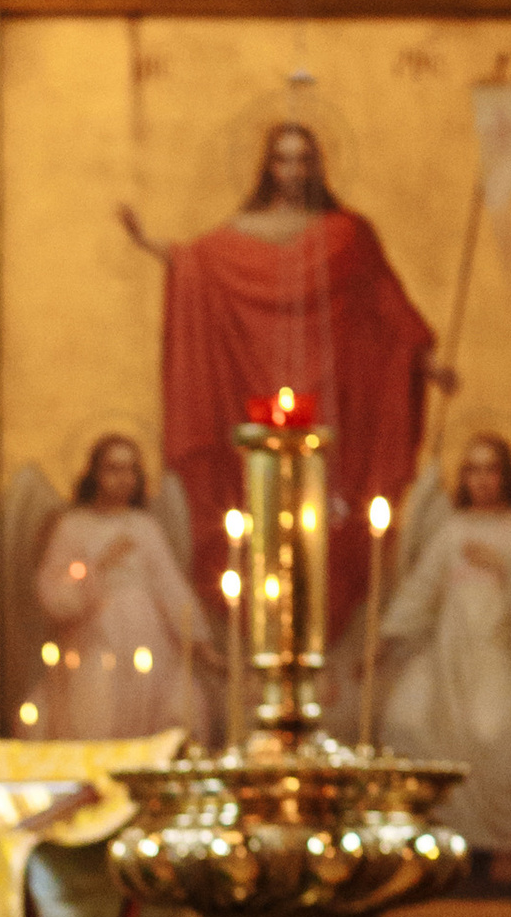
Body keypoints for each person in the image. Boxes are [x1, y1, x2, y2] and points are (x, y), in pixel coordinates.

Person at [118, 121, 442, 640]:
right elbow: (197, 263)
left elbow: (384, 303)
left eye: (304, 160)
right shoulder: (241, 234)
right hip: (251, 389)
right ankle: (262, 633)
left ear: (319, 166)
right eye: (283, 160)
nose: (294, 171)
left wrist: (425, 363)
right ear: (267, 167)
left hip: (336, 397)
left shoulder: (348, 235)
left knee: (331, 512)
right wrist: (149, 245)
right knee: (255, 506)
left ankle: (319, 631)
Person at [378, 432, 511, 859]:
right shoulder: (452, 530)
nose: (482, 480)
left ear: (506, 474)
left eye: (490, 469)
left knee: (497, 734)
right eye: (472, 470)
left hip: (503, 654)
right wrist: (387, 639)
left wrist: (506, 569)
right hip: (450, 658)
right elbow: (422, 590)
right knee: (406, 718)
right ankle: (443, 843)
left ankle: (508, 849)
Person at [27, 435, 214, 742]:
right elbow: (54, 593)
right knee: (94, 713)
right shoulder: (72, 526)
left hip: (149, 641)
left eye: (130, 470)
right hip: (94, 641)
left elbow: (170, 586)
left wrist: (198, 639)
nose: (123, 479)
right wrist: (97, 566)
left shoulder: (145, 527)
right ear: (95, 474)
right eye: (113, 468)